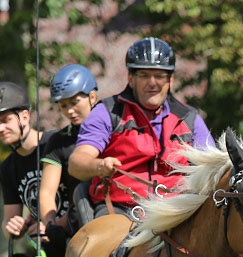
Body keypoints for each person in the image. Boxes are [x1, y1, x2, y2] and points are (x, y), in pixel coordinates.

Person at [68, 37, 215, 218]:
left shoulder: (189, 118)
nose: (152, 83)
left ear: (170, 80)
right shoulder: (107, 111)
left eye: (159, 76)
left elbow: (211, 168)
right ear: (131, 78)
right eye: (144, 75)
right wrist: (99, 165)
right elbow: (76, 163)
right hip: (119, 209)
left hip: (177, 210)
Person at [0, 81, 71, 239]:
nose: (0, 129)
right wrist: (13, 227)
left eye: (5, 120)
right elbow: (8, 220)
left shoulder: (57, 143)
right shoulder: (8, 168)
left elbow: (83, 200)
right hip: (47, 251)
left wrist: (52, 227)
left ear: (25, 117)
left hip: (80, 242)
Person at [38, 64, 100, 257]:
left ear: (92, 96)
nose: (69, 111)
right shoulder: (58, 142)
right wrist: (51, 222)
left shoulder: (115, 129)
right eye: (63, 106)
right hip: (77, 216)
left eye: (75, 102)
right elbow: (46, 192)